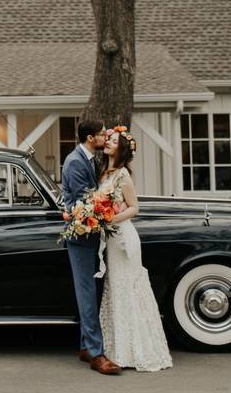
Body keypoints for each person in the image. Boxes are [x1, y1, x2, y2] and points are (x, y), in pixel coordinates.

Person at [98, 126, 173, 372]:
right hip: (110, 240)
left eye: (113, 140)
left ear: (121, 149)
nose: (108, 141)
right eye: (109, 138)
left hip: (123, 239)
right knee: (116, 289)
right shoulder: (104, 174)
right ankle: (120, 349)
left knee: (127, 289)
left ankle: (137, 349)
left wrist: (110, 219)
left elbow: (133, 208)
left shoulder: (122, 176)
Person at [61, 118, 121, 375]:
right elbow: (83, 202)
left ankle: (86, 346)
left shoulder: (88, 159)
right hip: (82, 238)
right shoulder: (75, 162)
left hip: (92, 235)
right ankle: (97, 354)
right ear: (90, 139)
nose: (104, 138)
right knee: (87, 295)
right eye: (100, 135)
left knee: (90, 293)